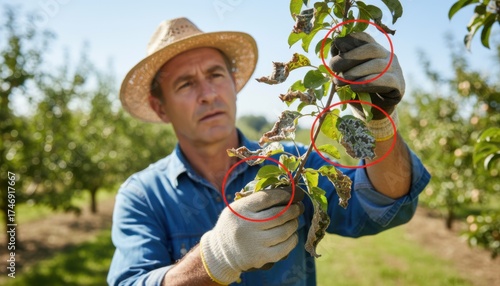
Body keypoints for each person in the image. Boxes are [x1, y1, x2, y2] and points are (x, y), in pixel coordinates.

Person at [107, 17, 430, 286]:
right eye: (185, 84)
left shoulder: (291, 163)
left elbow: (382, 205)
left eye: (216, 75)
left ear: (234, 84)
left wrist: (379, 120)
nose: (207, 94)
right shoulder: (144, 195)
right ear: (160, 107)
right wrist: (215, 259)